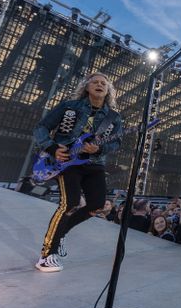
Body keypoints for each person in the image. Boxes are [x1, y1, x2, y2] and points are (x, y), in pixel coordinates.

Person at [33, 72, 123, 272]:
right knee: (70, 202)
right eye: (95, 82)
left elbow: (117, 141)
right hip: (67, 162)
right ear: (87, 87)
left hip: (95, 163)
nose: (100, 85)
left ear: (108, 91)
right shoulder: (69, 107)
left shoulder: (113, 117)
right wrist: (52, 148)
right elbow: (41, 127)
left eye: (104, 83)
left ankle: (61, 232)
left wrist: (99, 148)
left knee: (97, 204)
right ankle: (47, 254)